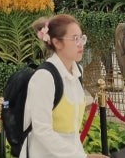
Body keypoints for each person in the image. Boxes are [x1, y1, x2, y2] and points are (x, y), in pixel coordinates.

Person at [21, 14, 107, 158]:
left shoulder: (77, 71)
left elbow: (72, 131)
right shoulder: (44, 77)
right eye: (75, 39)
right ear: (57, 43)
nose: (81, 44)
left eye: (82, 38)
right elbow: (42, 130)